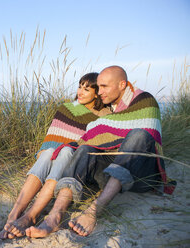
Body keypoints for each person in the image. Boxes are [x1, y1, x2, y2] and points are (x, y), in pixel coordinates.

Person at [24, 65, 176, 238]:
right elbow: (96, 133)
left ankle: (93, 211)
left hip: (141, 173)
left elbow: (147, 133)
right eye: (99, 86)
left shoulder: (144, 100)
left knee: (139, 134)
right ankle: (55, 216)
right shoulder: (109, 110)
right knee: (85, 149)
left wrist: (104, 126)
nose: (100, 91)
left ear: (122, 84)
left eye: (104, 86)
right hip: (112, 172)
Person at [0, 72, 111, 239]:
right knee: (48, 153)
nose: (80, 92)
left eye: (87, 89)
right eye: (79, 87)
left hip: (76, 164)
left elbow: (96, 144)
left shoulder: (103, 115)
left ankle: (31, 215)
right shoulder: (66, 108)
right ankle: (15, 213)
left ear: (97, 93)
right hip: (54, 156)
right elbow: (52, 139)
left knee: (65, 151)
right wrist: (50, 152)